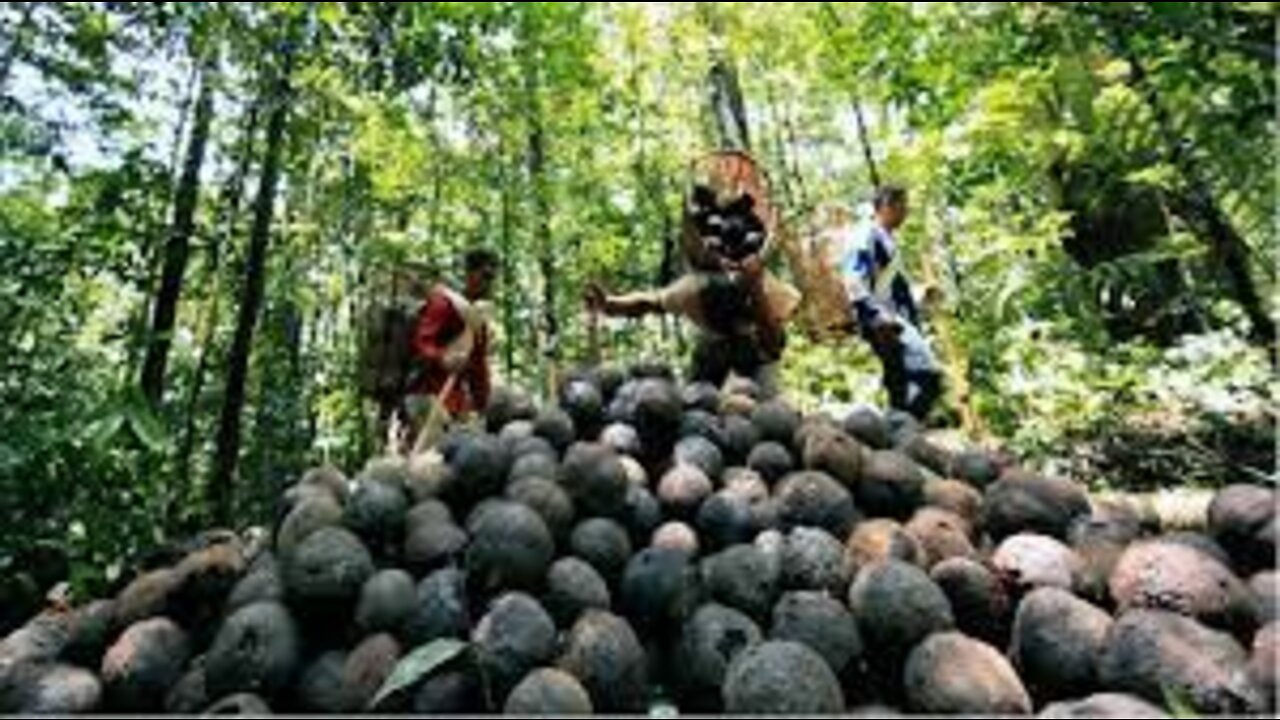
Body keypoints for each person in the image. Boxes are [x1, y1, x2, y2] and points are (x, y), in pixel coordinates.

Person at [585, 196, 801, 397]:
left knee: (764, 409)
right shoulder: (694, 289)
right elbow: (649, 302)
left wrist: (755, 291)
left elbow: (773, 345)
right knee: (697, 398)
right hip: (713, 351)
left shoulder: (770, 290)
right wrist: (610, 304)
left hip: (756, 357)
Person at [843, 185, 942, 421]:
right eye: (902, 206)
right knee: (924, 371)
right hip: (882, 319)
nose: (906, 212)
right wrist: (874, 316)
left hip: (893, 316)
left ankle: (901, 428)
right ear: (887, 206)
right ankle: (906, 423)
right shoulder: (865, 234)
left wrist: (918, 296)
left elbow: (890, 288)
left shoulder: (885, 238)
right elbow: (853, 278)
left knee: (898, 374)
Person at [408, 248, 499, 419]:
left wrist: (485, 407)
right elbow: (421, 343)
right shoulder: (443, 303)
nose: (488, 284)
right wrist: (442, 358)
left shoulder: (477, 316)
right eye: (484, 276)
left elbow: (478, 366)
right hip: (427, 397)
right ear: (469, 273)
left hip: (455, 403)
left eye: (492, 278)